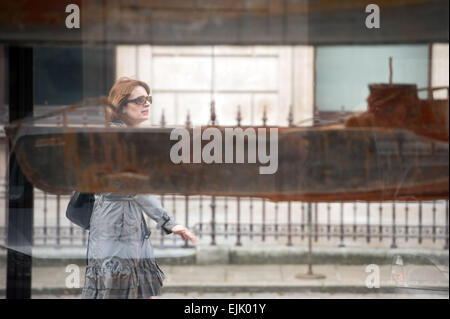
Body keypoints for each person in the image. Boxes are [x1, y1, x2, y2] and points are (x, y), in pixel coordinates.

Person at [81, 77, 197, 299]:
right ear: (121, 106)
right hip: (117, 226)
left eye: (148, 99)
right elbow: (134, 187)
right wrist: (169, 222)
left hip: (128, 223)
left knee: (139, 293)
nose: (147, 104)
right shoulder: (118, 138)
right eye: (139, 100)